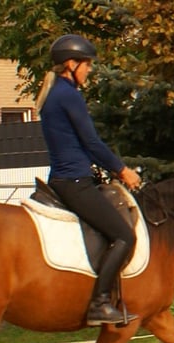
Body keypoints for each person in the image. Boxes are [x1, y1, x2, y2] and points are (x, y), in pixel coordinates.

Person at [36, 34, 142, 326]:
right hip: (73, 182)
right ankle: (100, 303)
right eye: (86, 65)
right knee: (124, 236)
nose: (89, 70)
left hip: (69, 177)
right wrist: (123, 171)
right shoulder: (68, 95)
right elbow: (92, 143)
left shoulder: (55, 92)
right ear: (71, 64)